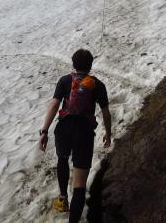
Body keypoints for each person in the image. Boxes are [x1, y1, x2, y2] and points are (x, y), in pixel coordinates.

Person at [39, 49, 112, 223]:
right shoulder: (98, 85)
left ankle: (63, 198)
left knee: (62, 159)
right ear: (91, 65)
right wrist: (108, 133)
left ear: (73, 64)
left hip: (64, 128)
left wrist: (44, 131)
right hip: (84, 133)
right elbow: (106, 113)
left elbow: (54, 105)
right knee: (79, 185)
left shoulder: (64, 81)